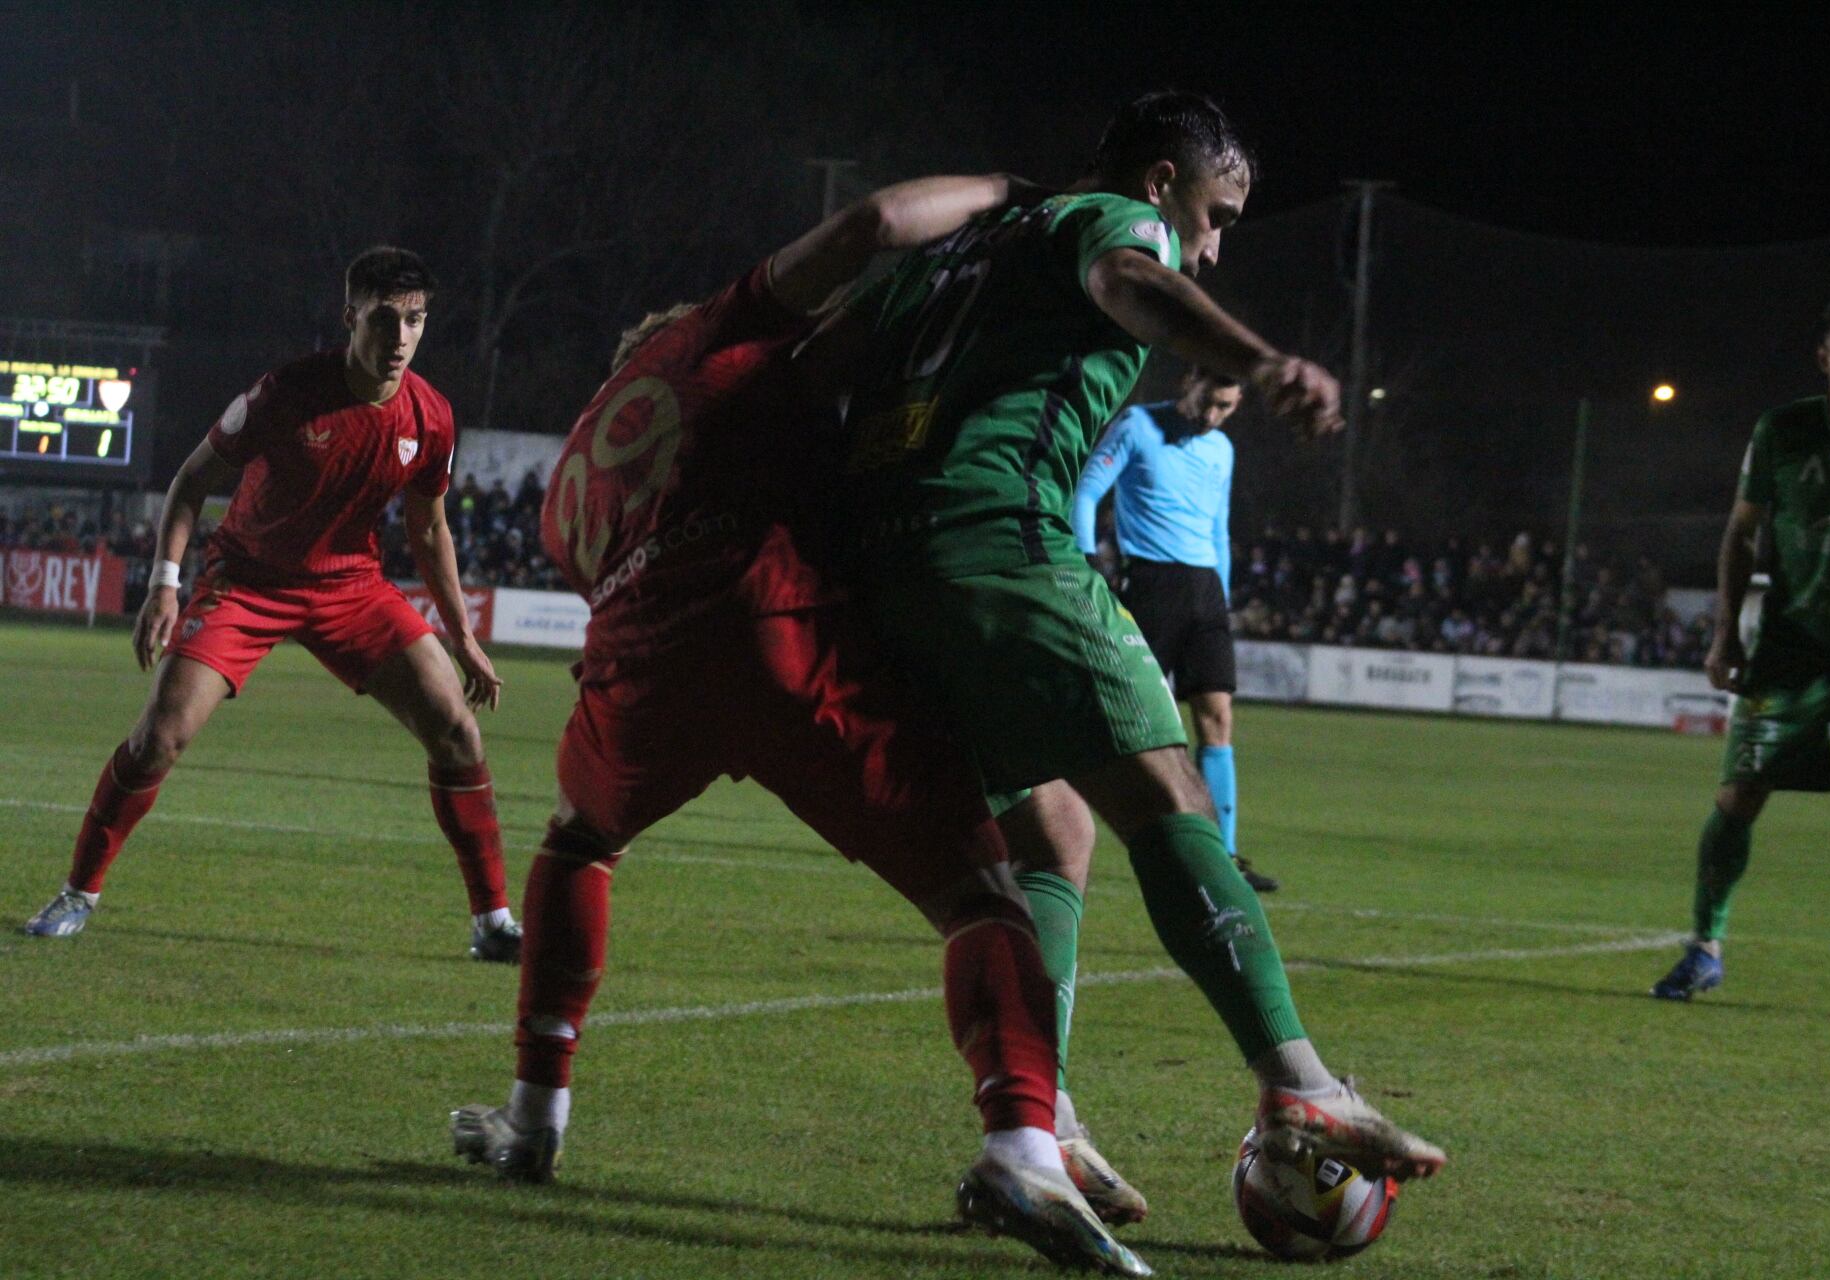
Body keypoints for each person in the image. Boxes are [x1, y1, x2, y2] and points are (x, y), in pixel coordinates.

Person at [446, 174, 1149, 1277]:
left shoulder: (568, 472)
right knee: (983, 889)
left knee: (580, 836)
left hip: (637, 662)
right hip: (781, 628)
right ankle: (1022, 1136)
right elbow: (869, 226)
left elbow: (604, 570)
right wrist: (1008, 191)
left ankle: (535, 1119)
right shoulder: (718, 340)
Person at [834, 91, 1447, 1227]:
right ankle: (1300, 1084)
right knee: (1168, 793)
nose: (1210, 247)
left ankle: (1038, 1120)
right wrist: (1258, 360)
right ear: (1162, 181)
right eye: (1214, 214)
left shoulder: (970, 245)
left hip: (884, 566)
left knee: (1047, 832)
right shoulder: (1121, 222)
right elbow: (1134, 278)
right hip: (998, 538)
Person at [22, 248, 521, 961]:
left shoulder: (432, 417)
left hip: (351, 588)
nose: (402, 336)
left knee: (457, 730)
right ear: (351, 317)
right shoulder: (283, 395)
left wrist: (463, 636)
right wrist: (166, 582)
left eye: (416, 320)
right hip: (248, 583)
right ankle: (77, 894)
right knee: (161, 735)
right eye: (386, 318)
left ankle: (493, 923)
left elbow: (429, 527)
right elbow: (191, 483)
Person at [1650, 290, 1830, 1024]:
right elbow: (1740, 534)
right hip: (1791, 650)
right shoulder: (1782, 433)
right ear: (1824, 357)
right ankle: (1705, 948)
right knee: (1738, 796)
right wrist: (1725, 631)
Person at [1073, 367, 1281, 893]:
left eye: (1227, 408)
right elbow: (1086, 492)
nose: (1214, 417)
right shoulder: (1138, 425)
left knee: (1217, 717)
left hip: (1205, 592)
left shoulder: (1222, 449)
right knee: (1115, 719)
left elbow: (1219, 527)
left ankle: (1225, 858)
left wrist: (1223, 598)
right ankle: (1054, 833)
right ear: (1188, 382)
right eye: (1209, 402)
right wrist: (1088, 559)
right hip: (1150, 584)